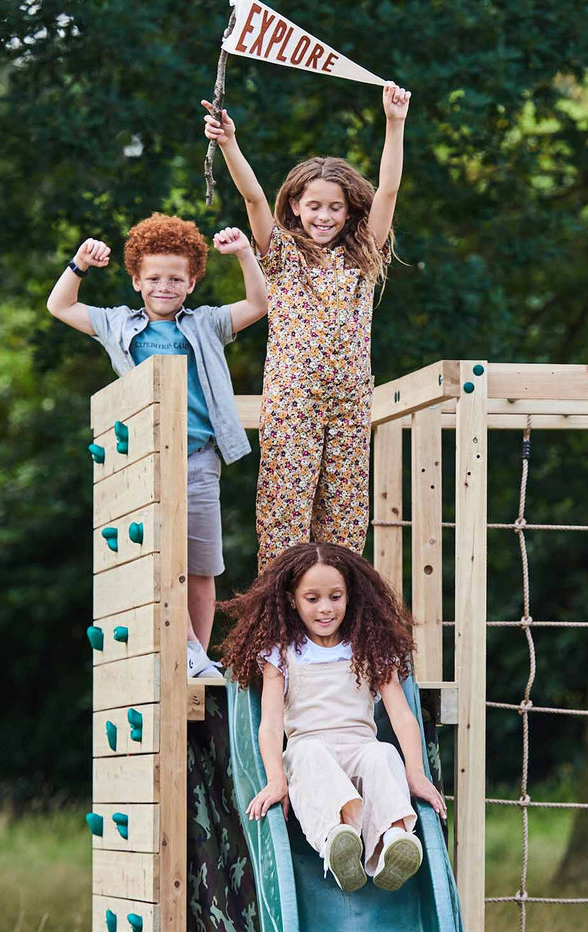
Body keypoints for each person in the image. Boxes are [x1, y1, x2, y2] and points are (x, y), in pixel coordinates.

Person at [47, 213, 267, 677]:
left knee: (204, 565)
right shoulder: (116, 325)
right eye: (153, 278)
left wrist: (246, 253)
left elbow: (257, 303)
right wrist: (79, 265)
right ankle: (184, 644)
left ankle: (197, 658)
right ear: (135, 281)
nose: (164, 286)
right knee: (166, 553)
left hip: (200, 458)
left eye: (175, 278)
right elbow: (60, 307)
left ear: (191, 284)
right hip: (148, 459)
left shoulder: (207, 324)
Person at [203, 82, 411, 569]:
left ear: (348, 210)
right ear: (295, 206)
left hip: (349, 398)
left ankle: (337, 622)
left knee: (344, 515)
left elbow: (390, 189)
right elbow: (254, 199)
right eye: (314, 206)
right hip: (294, 396)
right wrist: (229, 143)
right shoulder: (282, 253)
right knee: (284, 513)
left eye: (335, 207)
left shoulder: (361, 257)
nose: (324, 216)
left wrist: (395, 124)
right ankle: (279, 627)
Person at [220, 542, 445, 893]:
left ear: (350, 596)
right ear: (293, 600)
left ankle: (393, 843)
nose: (325, 608)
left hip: (359, 745)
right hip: (308, 747)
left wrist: (415, 772)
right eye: (313, 599)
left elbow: (401, 715)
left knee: (383, 755)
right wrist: (276, 780)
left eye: (335, 597)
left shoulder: (369, 647)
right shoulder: (281, 653)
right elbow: (271, 723)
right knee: (311, 757)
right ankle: (338, 840)